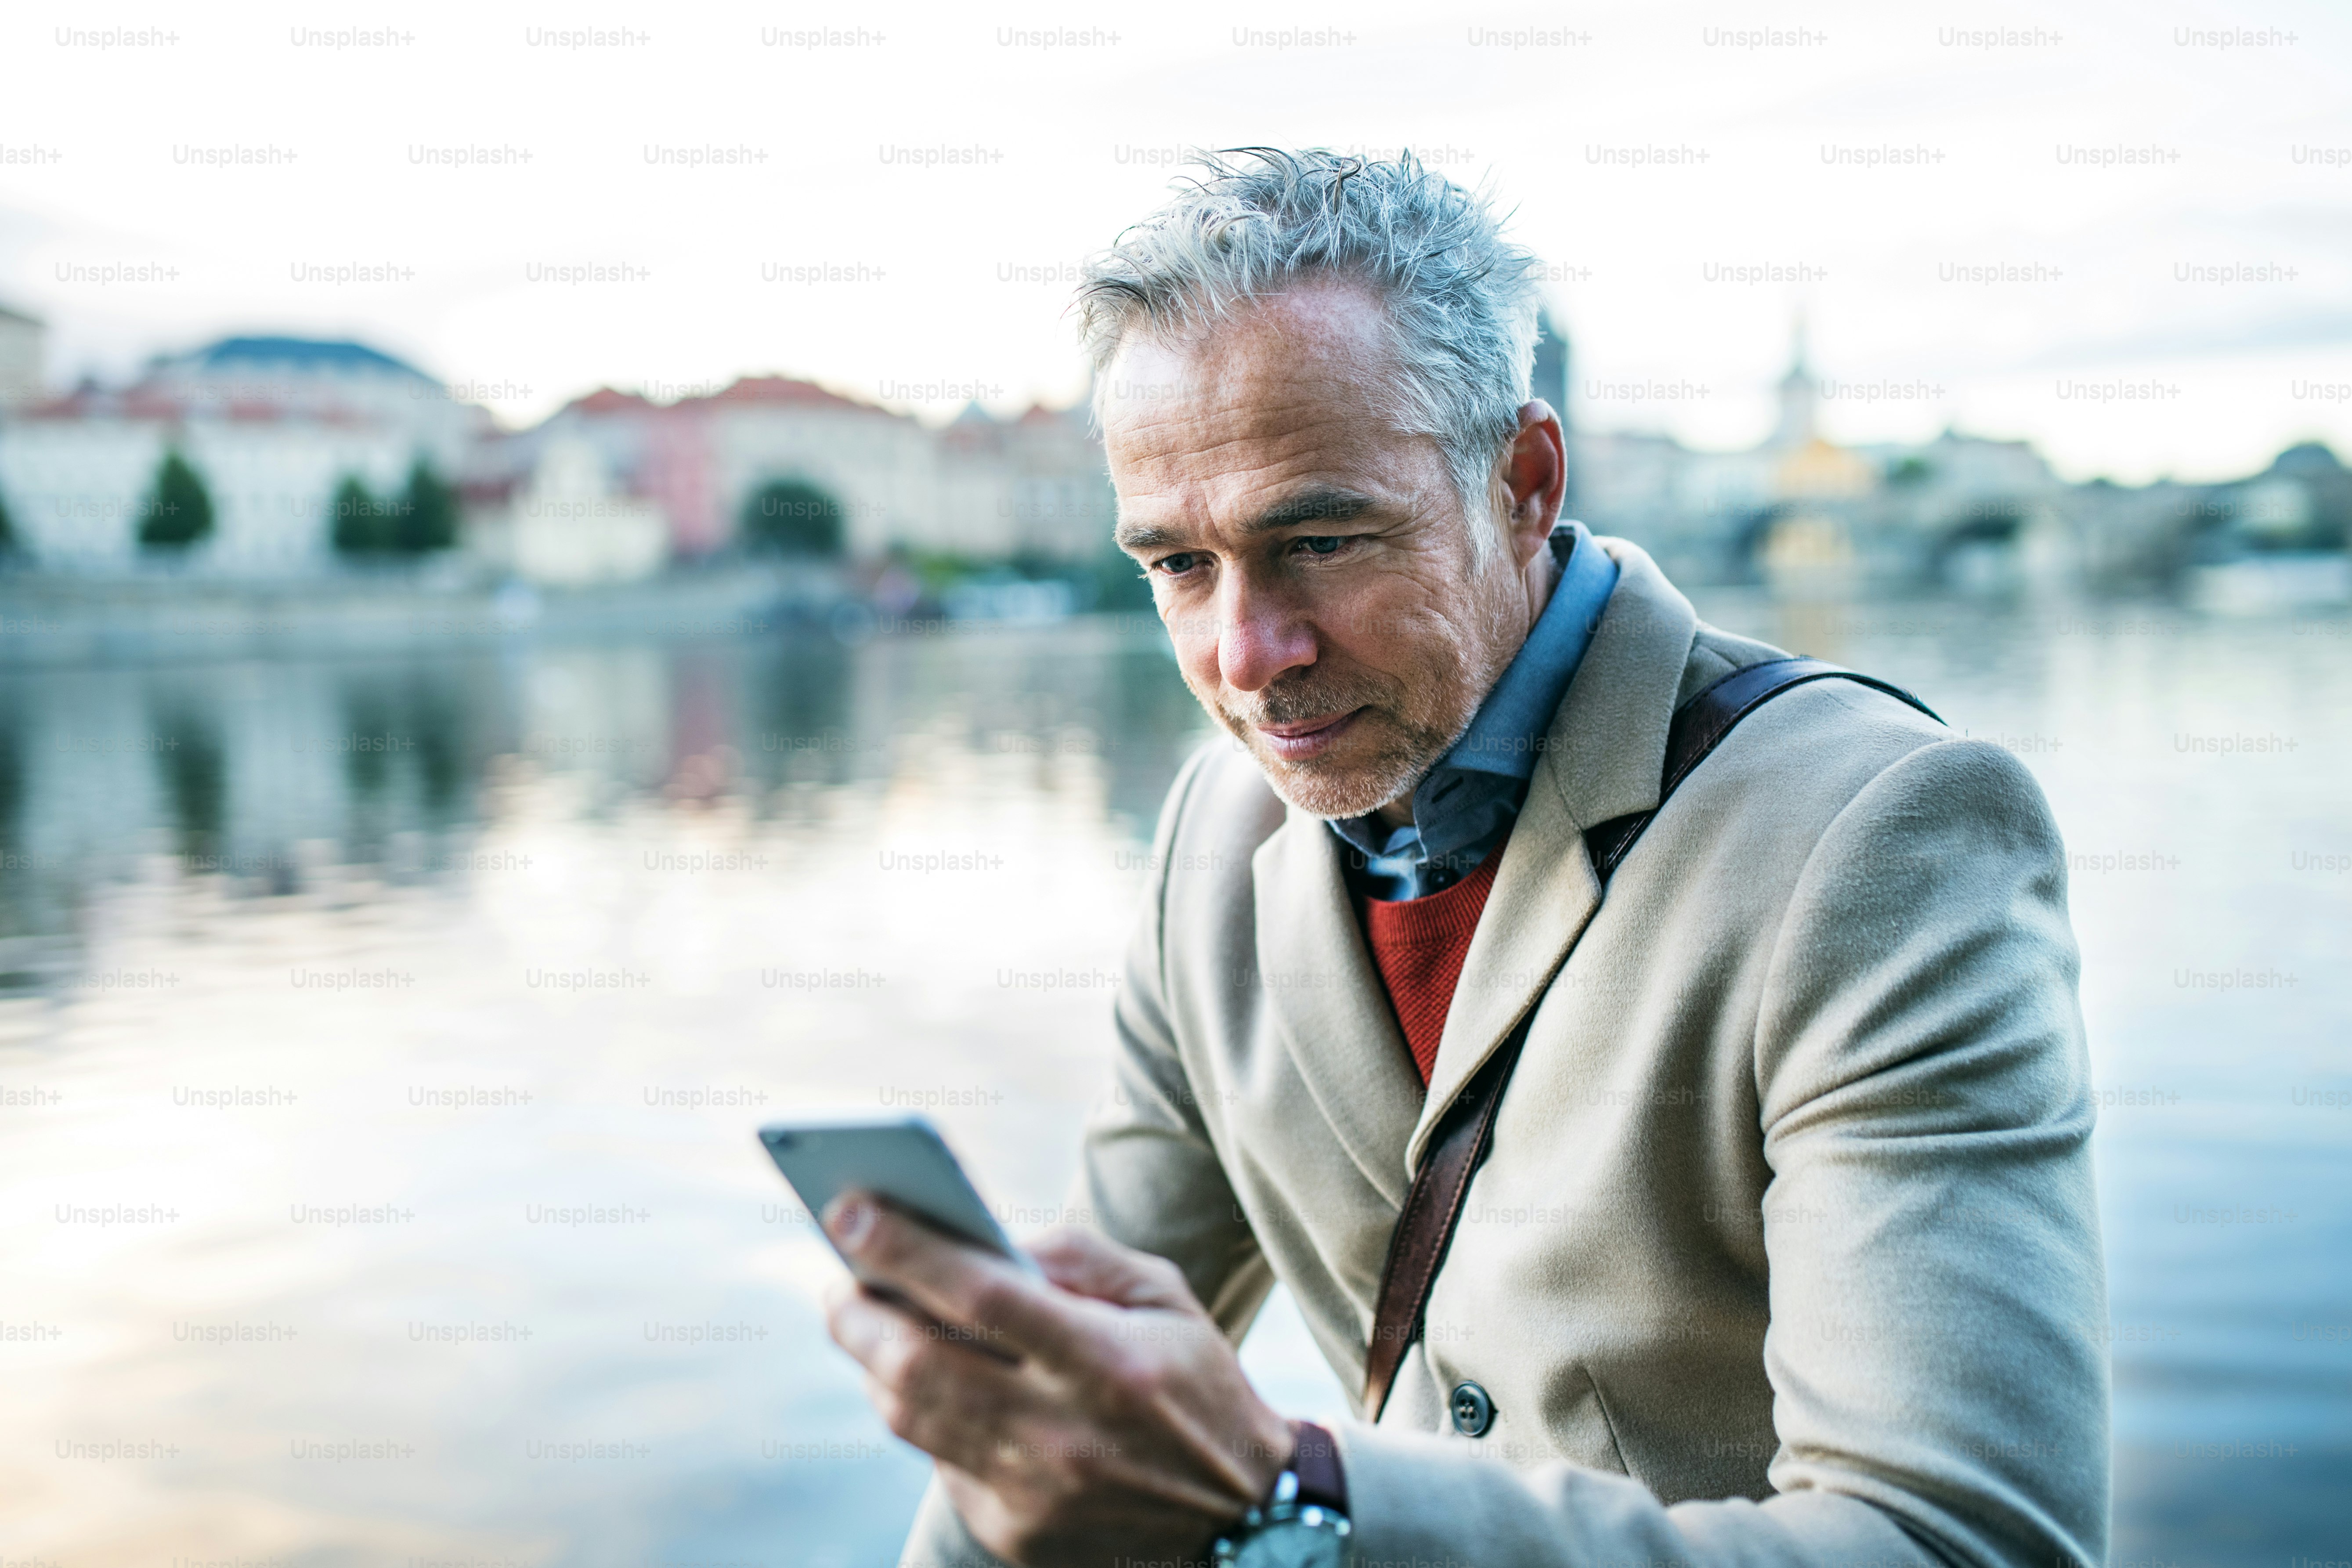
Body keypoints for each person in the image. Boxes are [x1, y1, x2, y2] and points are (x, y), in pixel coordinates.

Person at [822, 148, 2106, 1568]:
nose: (1247, 658)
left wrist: (1291, 1498)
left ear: (1524, 480)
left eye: (1317, 538)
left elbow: (1959, 1545)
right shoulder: (1211, 836)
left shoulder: (1881, 835)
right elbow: (1062, 1382)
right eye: (1177, 567)